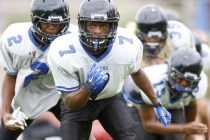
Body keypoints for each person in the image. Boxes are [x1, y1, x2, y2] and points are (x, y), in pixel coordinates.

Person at [47, 0, 171, 140]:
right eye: (92, 25)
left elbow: (136, 71)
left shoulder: (128, 45)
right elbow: (70, 104)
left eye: (103, 25)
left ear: (113, 26)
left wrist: (156, 104)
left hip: (110, 99)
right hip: (78, 103)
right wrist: (88, 87)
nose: (98, 31)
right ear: (82, 25)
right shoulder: (63, 50)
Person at [0, 0, 77, 139]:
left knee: (81, 134)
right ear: (35, 21)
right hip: (27, 96)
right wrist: (5, 112)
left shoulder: (75, 37)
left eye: (56, 23)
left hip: (61, 94)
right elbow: (10, 75)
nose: (52, 28)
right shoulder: (15, 39)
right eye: (47, 23)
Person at [124, 47, 208, 140]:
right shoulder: (153, 81)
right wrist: (184, 128)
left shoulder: (199, 85)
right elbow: (149, 124)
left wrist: (187, 133)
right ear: (171, 72)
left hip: (170, 106)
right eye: (180, 78)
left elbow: (191, 107)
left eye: (189, 81)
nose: (184, 84)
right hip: (141, 109)